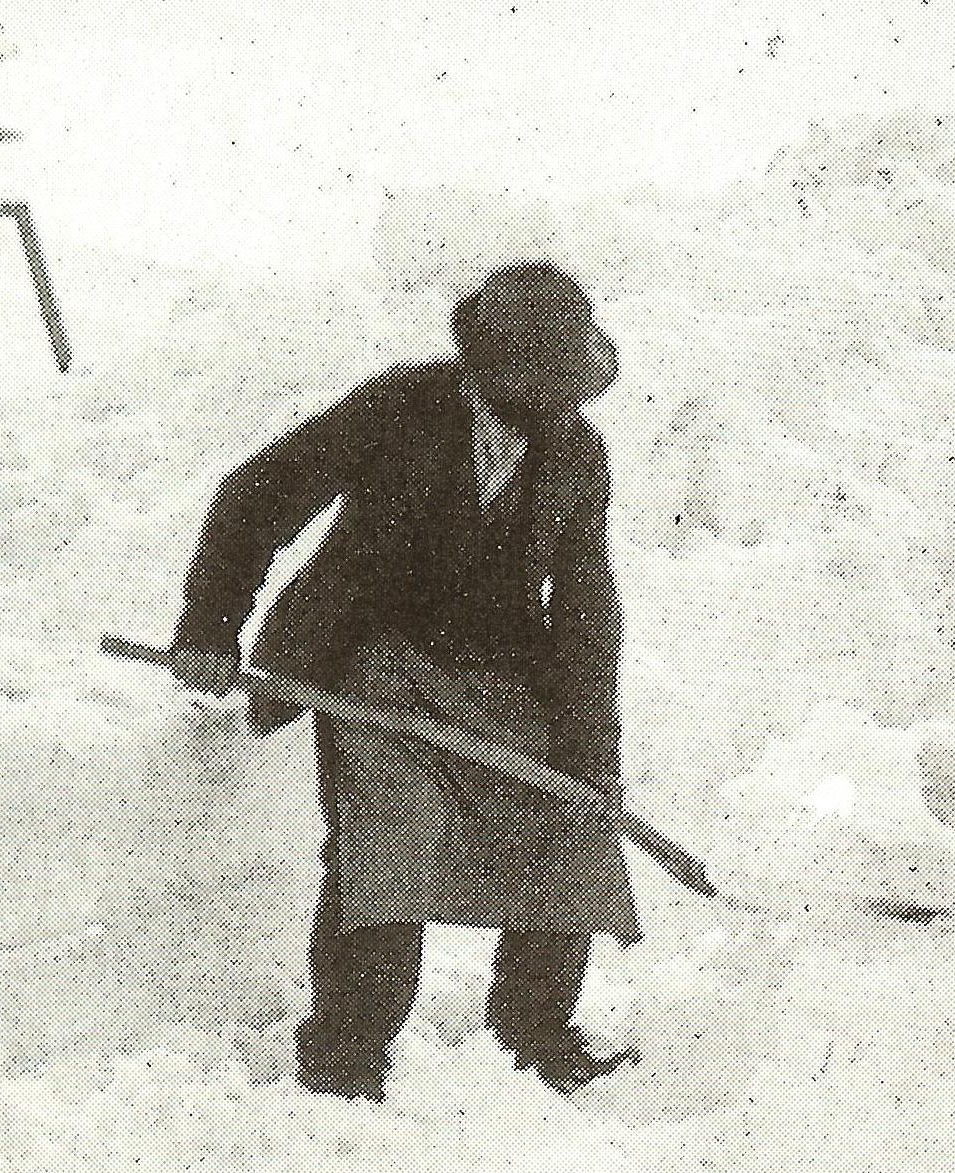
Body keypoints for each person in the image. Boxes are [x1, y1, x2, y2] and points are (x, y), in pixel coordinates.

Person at [167, 263, 640, 1099]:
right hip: (369, 657)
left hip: (498, 671)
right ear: (488, 368)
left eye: (565, 384)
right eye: (536, 380)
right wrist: (210, 627)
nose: (554, 402)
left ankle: (537, 1032)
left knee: (571, 819)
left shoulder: (576, 452)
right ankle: (348, 1056)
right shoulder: (403, 407)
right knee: (390, 839)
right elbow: (257, 495)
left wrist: (589, 751)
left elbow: (585, 608)